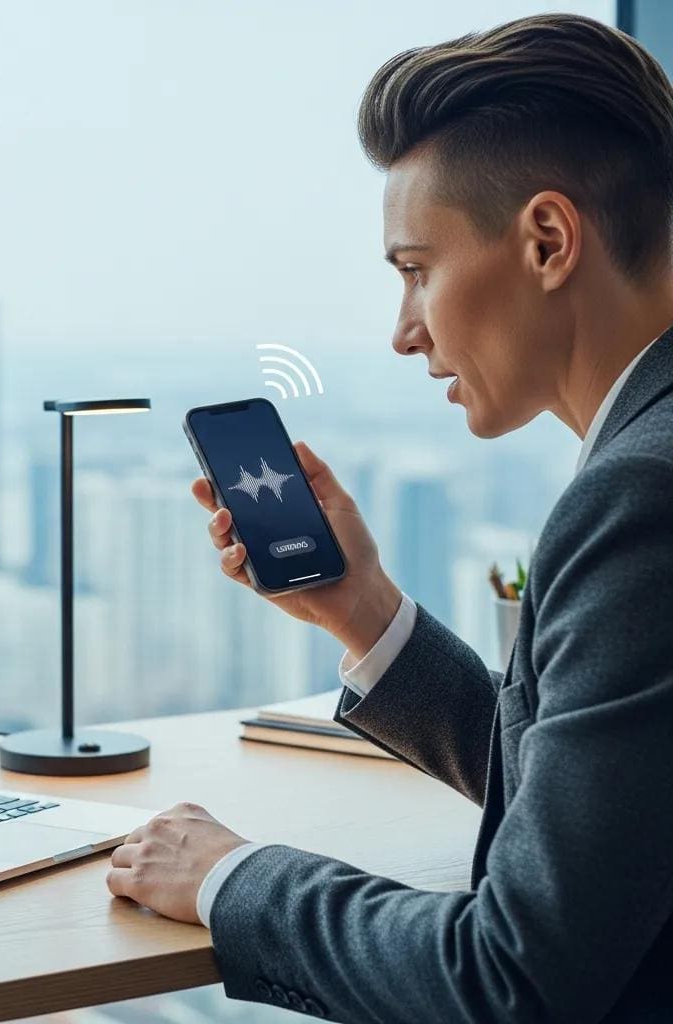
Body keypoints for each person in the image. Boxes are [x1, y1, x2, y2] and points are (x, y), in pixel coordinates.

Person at [106, 14, 673, 1023]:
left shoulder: (639, 498)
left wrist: (232, 875)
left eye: (415, 268)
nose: (405, 331)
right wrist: (362, 609)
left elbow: (513, 979)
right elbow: (608, 805)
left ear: (547, 240)